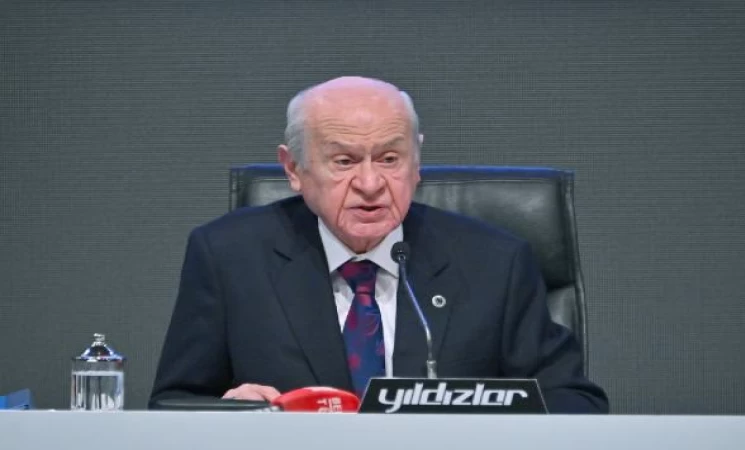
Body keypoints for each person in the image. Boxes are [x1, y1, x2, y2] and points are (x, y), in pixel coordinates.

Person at [149, 76, 608, 413]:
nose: (370, 184)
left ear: (416, 161)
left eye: (390, 159)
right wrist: (233, 415)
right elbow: (173, 403)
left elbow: (574, 401)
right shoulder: (229, 257)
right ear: (293, 169)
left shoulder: (494, 263)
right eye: (344, 161)